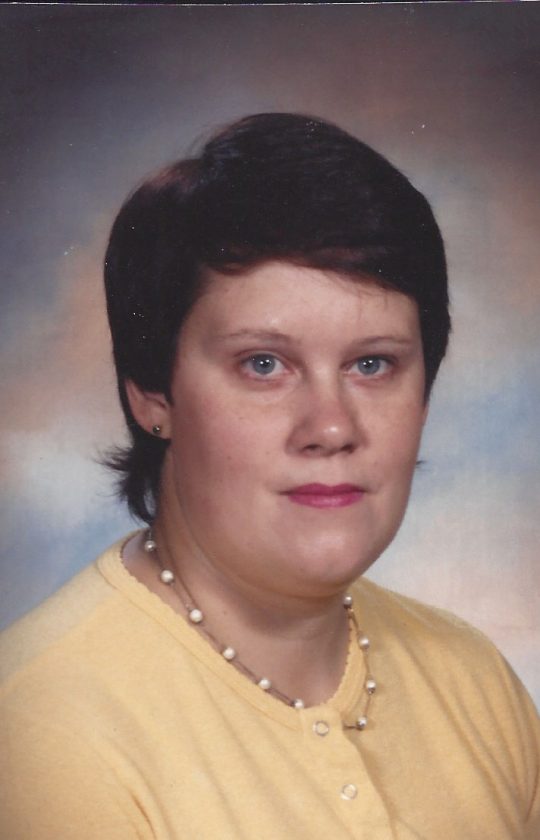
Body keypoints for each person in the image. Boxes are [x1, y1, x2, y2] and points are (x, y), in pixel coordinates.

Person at [1, 113, 538, 839]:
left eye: (372, 363)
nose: (332, 427)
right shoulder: (43, 732)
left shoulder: (474, 680)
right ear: (153, 394)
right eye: (263, 365)